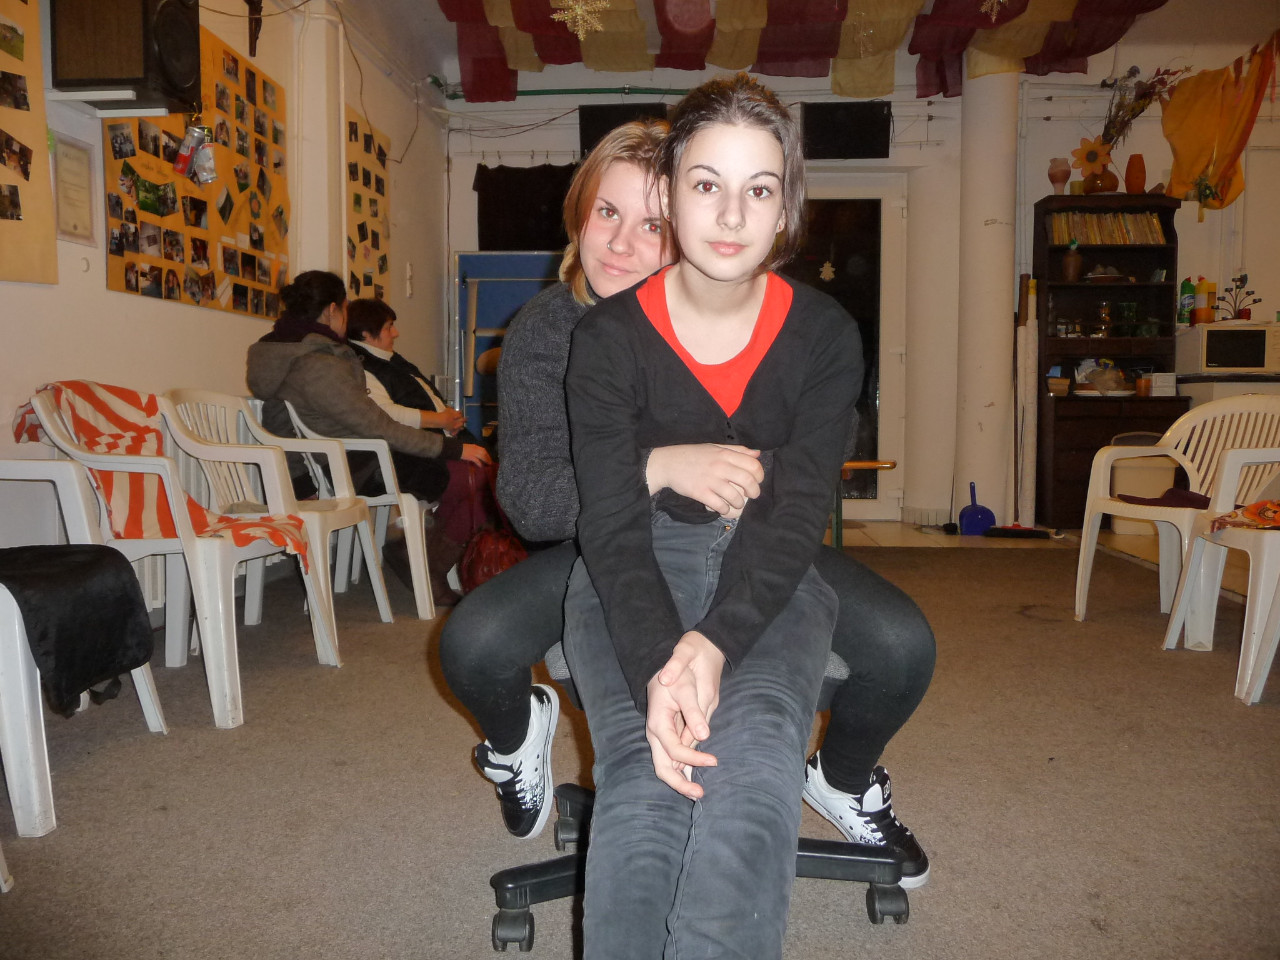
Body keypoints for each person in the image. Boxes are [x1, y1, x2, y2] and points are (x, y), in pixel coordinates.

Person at [439, 114, 933, 873]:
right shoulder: (546, 331)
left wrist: (750, 483)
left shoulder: (754, 319)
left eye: (652, 226)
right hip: (599, 544)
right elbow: (535, 507)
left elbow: (803, 464)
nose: (620, 244)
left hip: (746, 538)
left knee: (901, 648)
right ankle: (514, 743)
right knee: (471, 644)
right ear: (580, 215)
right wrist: (659, 467)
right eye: (607, 212)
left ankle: (840, 779)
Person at [246, 271, 490, 603]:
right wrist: (451, 448)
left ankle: (424, 557)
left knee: (472, 475)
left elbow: (277, 421)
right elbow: (378, 426)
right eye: (345, 308)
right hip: (359, 463)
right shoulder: (318, 363)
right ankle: (427, 563)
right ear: (333, 309)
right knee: (475, 478)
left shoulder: (284, 352)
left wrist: (299, 478)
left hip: (343, 458)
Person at [345, 297, 497, 603]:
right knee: (481, 484)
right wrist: (439, 420)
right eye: (389, 326)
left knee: (490, 481)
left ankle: (418, 554)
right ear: (366, 334)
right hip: (405, 455)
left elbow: (421, 403)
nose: (396, 333)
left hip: (434, 445)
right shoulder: (361, 366)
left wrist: (448, 419)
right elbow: (386, 415)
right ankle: (431, 568)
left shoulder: (391, 361)